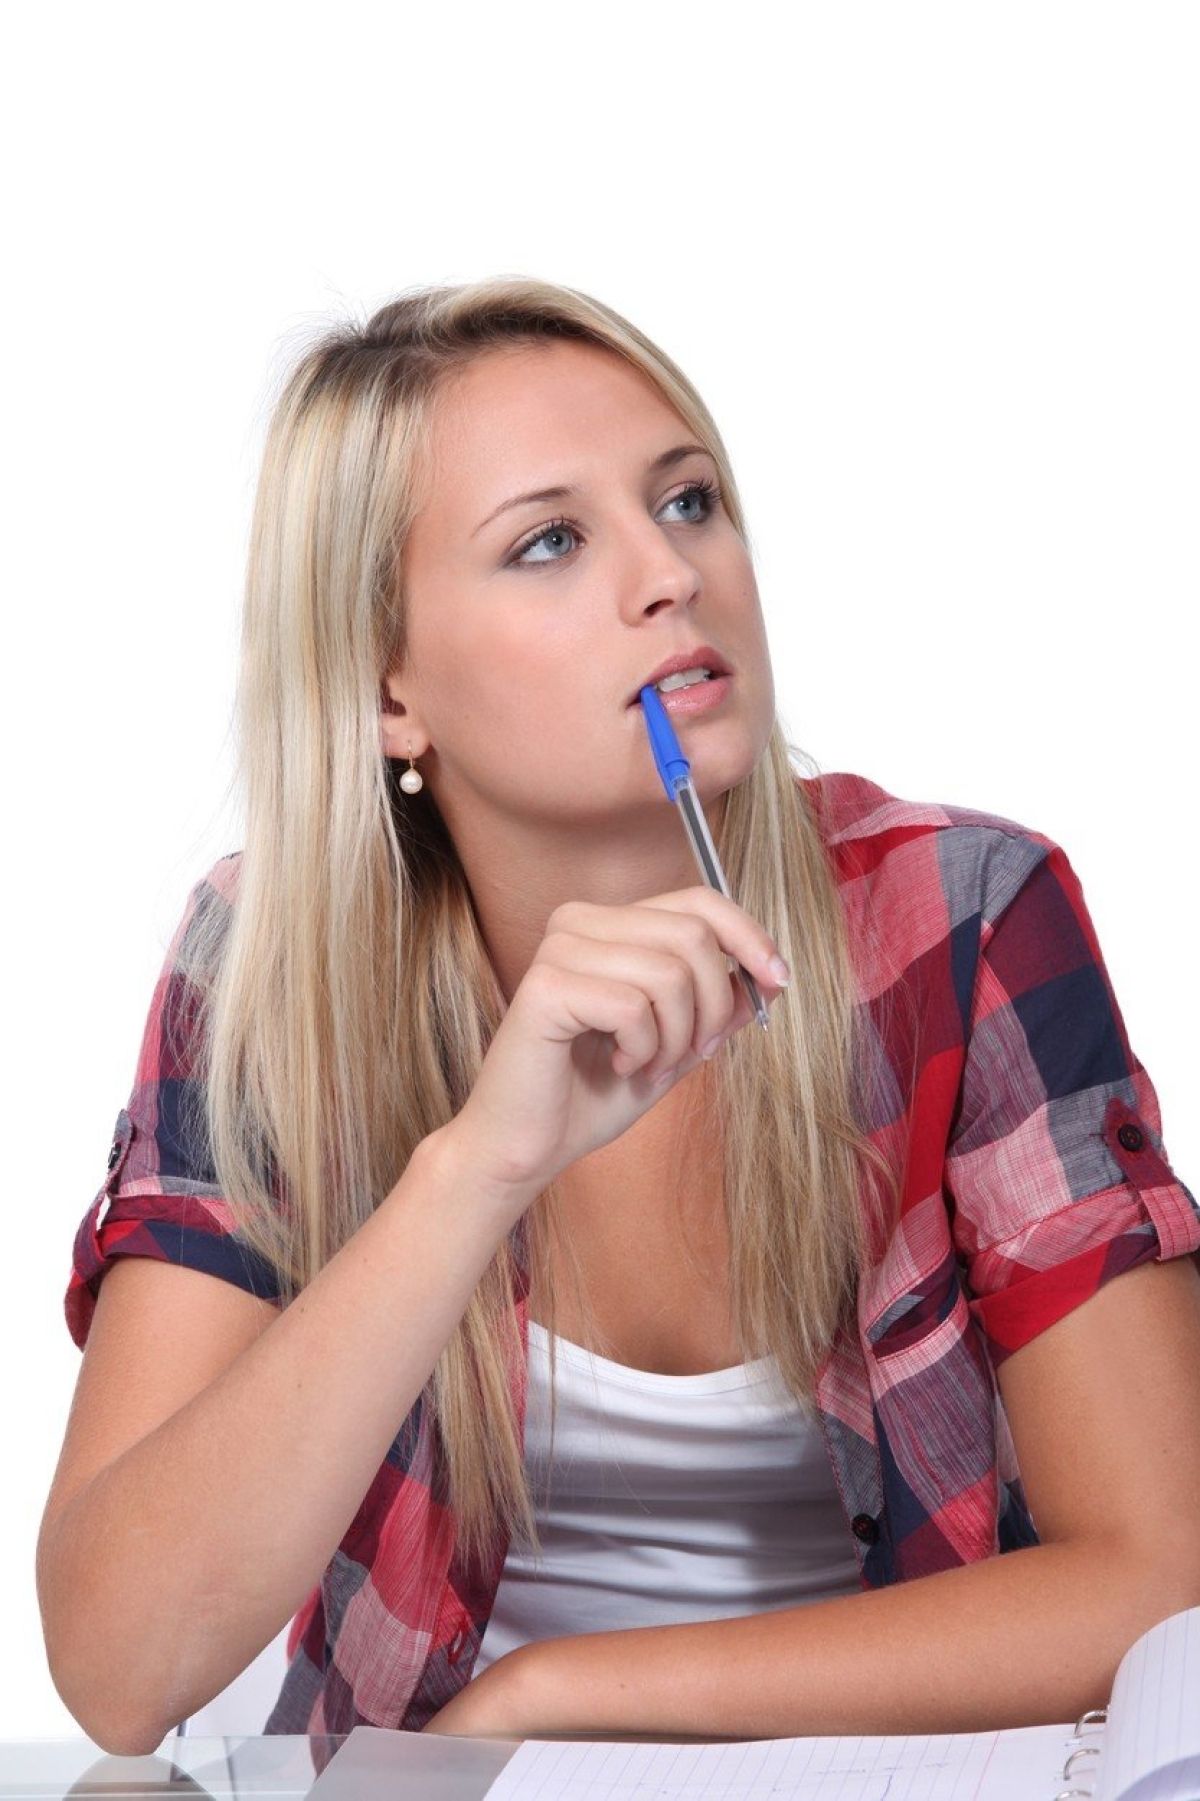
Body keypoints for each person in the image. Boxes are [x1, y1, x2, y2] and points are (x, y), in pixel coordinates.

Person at [37, 277, 1200, 1757]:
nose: (669, 573)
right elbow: (121, 1667)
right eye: (550, 541)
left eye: (689, 500)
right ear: (390, 692)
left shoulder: (960, 920)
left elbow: (1161, 1575)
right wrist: (478, 1167)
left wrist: (554, 1696)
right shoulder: (270, 972)